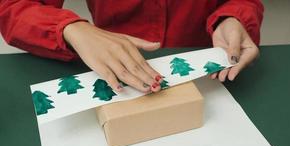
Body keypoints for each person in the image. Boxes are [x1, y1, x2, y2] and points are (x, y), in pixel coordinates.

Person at [0, 0, 263, 93]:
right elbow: (12, 8)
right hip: (112, 71)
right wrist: (70, 28)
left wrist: (234, 16)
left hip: (210, 76)